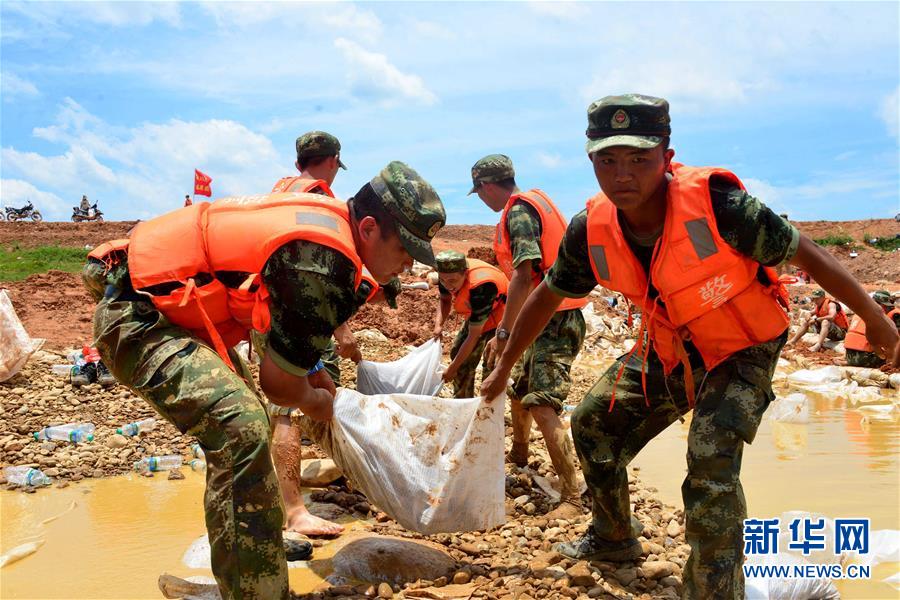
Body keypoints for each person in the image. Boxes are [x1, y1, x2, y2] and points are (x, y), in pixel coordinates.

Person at [481, 94, 900, 600]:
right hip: (670, 348)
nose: (623, 175)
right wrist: (505, 363)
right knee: (592, 424)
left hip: (742, 349)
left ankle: (714, 590)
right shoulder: (591, 228)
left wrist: (874, 319)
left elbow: (806, 253)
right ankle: (613, 538)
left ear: (666, 154)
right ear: (590, 159)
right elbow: (549, 292)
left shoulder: (720, 205)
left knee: (710, 464)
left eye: (640, 159)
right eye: (608, 160)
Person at [82, 161, 445, 600]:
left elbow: (291, 346)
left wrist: (314, 381)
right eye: (404, 249)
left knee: (247, 420)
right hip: (139, 319)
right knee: (241, 427)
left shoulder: (329, 236)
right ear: (368, 228)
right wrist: (321, 405)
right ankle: (259, 593)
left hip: (172, 312)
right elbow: (281, 386)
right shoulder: (325, 261)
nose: (407, 265)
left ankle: (253, 562)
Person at [469, 153, 588, 519]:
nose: (484, 200)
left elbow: (523, 274)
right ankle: (519, 454)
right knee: (520, 391)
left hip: (555, 317)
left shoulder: (518, 212)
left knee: (541, 401)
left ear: (488, 186)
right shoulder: (531, 204)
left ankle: (573, 495)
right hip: (542, 315)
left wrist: (503, 332)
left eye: (481, 193)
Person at [432, 250, 508, 397]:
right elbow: (445, 299)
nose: (447, 285)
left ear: (465, 273)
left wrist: (452, 369)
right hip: (478, 314)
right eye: (443, 280)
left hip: (502, 316)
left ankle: (487, 409)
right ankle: (462, 403)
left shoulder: (482, 287)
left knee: (491, 362)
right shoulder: (447, 275)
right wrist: (438, 325)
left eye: (453, 281)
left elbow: (474, 335)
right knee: (459, 355)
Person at [271, 130, 346, 195]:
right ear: (332, 161)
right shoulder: (324, 204)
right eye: (338, 165)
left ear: (298, 166)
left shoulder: (274, 197)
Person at [845, 290, 900, 367]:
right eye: (885, 306)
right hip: (865, 358)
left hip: (848, 356)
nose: (887, 308)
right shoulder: (878, 316)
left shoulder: (859, 312)